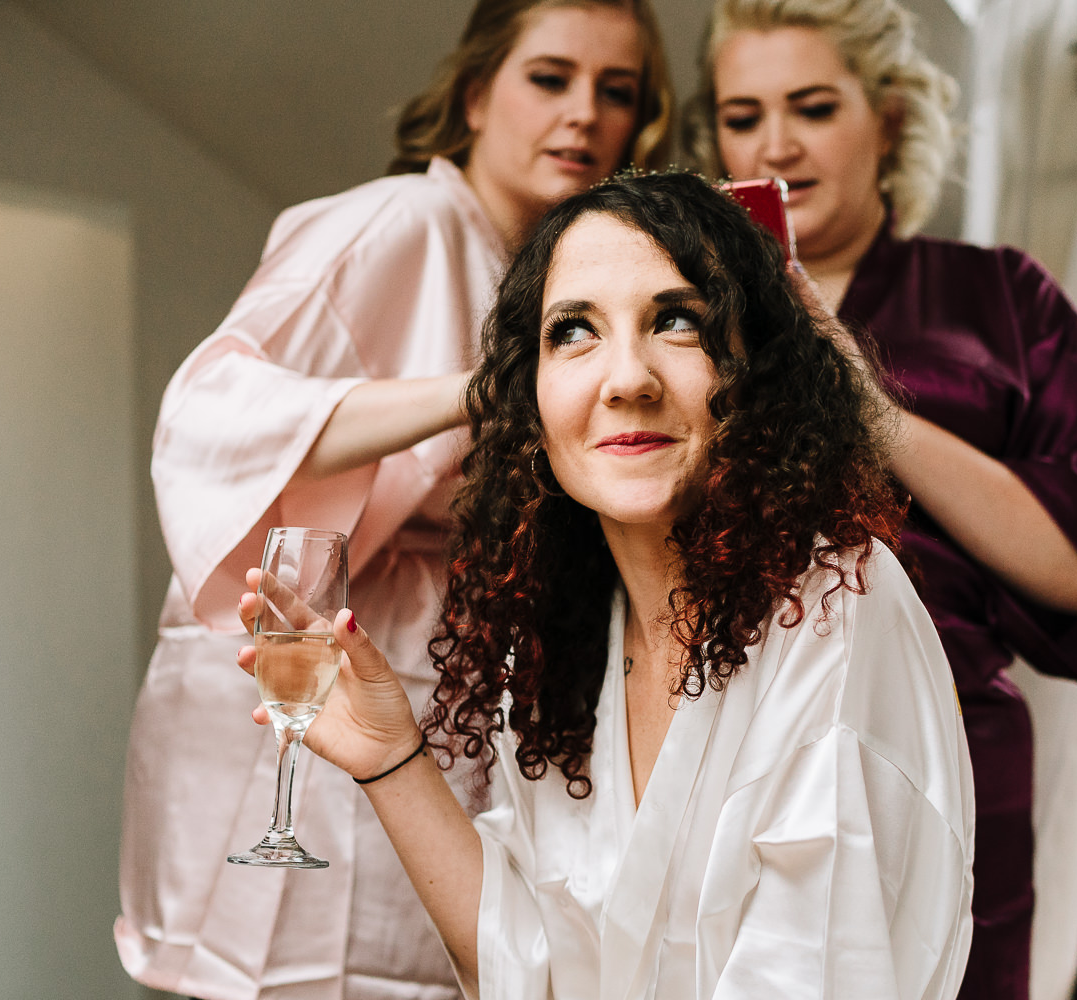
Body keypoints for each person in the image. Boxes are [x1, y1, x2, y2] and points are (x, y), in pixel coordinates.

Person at [233, 171, 976, 999]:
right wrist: (391, 758)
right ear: (529, 399)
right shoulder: (568, 643)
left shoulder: (838, 605)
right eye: (574, 332)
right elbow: (528, 970)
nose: (627, 378)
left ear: (759, 370)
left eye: (679, 321)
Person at [115, 3, 672, 998]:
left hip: (440, 703)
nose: (584, 114)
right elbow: (211, 412)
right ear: (475, 94)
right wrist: (472, 396)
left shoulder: (554, 277)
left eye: (616, 89)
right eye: (550, 78)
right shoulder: (399, 223)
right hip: (314, 703)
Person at [685, 1, 1077, 996]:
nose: (776, 143)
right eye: (743, 114)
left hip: (951, 761)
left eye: (813, 106)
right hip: (716, 759)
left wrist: (871, 410)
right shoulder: (677, 315)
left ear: (889, 119)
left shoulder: (1002, 303)